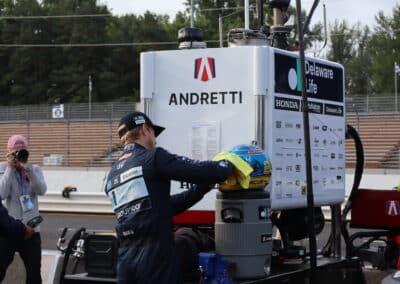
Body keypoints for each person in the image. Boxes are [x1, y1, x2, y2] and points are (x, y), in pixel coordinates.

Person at [105, 111, 235, 284]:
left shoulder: (113, 173)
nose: (156, 140)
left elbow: (164, 206)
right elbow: (197, 170)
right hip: (155, 256)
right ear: (144, 129)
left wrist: (203, 188)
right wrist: (228, 166)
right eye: (153, 133)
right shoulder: (152, 157)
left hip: (126, 260)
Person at [0, 135, 47, 284]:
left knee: (34, 274)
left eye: (22, 150)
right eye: (15, 151)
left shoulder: (35, 169)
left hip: (31, 229)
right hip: (10, 228)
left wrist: (28, 171)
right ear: (9, 152)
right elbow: (1, 194)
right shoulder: (3, 169)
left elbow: (42, 190)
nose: (19, 154)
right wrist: (9, 168)